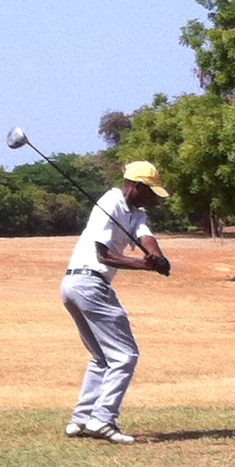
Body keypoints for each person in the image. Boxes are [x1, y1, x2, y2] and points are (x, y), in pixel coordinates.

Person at [59, 160, 172, 443]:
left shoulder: (136, 213)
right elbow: (104, 255)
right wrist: (145, 265)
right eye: (150, 192)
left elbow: (146, 238)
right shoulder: (110, 201)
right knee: (125, 355)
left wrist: (158, 258)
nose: (153, 199)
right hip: (90, 282)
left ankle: (81, 420)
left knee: (102, 357)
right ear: (135, 186)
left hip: (75, 285)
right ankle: (103, 419)